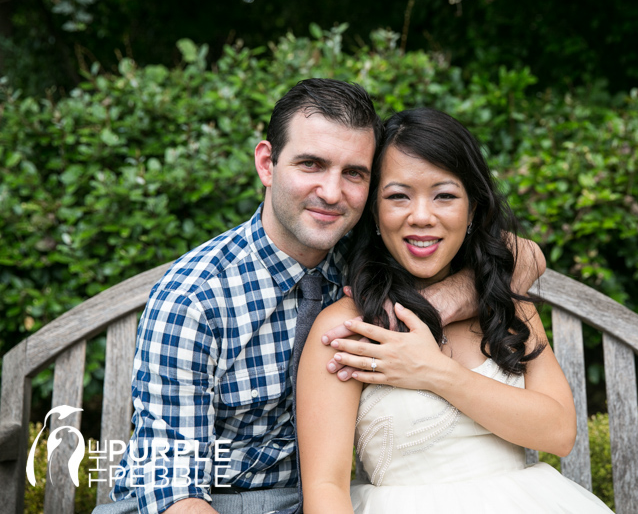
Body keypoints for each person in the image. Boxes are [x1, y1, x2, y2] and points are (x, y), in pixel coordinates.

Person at [95, 80, 545, 514]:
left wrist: (435, 307)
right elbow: (172, 490)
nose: (332, 193)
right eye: (311, 164)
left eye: (354, 173)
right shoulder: (195, 299)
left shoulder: (367, 257)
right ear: (267, 164)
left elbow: (524, 254)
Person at [297, 108, 613, 513]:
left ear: (473, 211)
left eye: (444, 195)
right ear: (374, 213)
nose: (422, 217)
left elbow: (559, 433)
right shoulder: (351, 327)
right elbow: (326, 487)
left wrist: (435, 372)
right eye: (398, 196)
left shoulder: (501, 301)